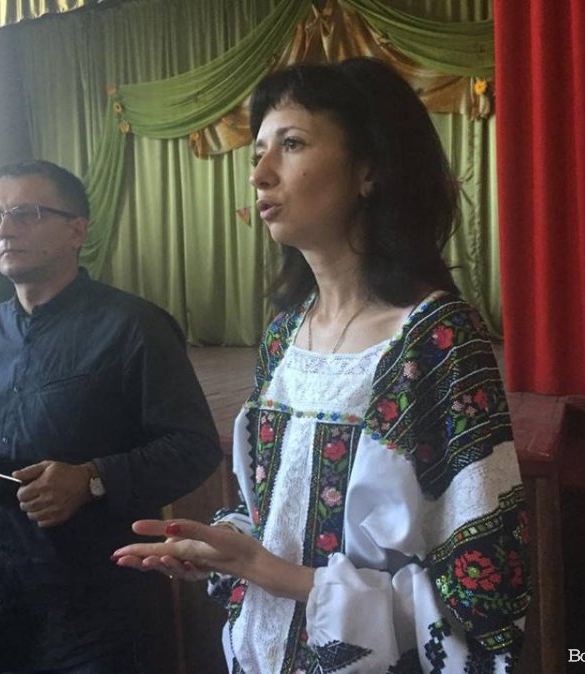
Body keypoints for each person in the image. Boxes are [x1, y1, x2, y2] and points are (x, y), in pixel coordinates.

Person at [112, 59, 531, 673]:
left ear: (370, 168)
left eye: (292, 144)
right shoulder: (285, 336)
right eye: (257, 151)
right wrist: (222, 547)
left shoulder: (436, 339)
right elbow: (269, 514)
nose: (259, 174)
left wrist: (273, 572)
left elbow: (482, 583)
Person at [0, 159, 222, 673]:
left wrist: (92, 479)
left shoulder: (134, 325)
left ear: (77, 231)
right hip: (3, 596)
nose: (5, 229)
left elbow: (192, 445)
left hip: (103, 605)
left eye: (25, 213)